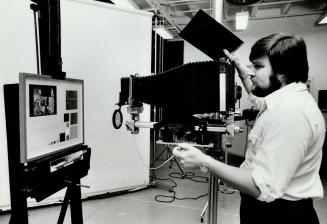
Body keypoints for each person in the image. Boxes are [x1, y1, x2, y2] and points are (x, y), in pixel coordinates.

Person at [173, 33, 325, 224]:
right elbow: (257, 99)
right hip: (271, 210)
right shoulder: (286, 99)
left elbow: (260, 186)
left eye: (259, 66)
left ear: (283, 72)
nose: (252, 71)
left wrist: (204, 161)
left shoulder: (291, 113)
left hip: (279, 215)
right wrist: (242, 70)